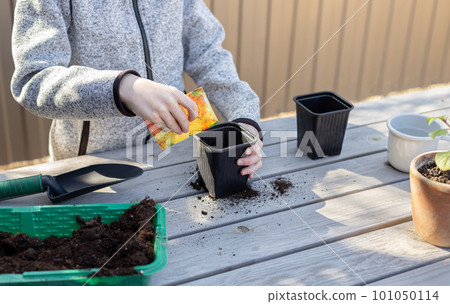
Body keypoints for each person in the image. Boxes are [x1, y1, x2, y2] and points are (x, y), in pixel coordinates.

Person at [11, 0, 263, 178]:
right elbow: (34, 80)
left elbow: (208, 54)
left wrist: (244, 120)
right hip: (93, 167)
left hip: (174, 156)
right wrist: (122, 88)